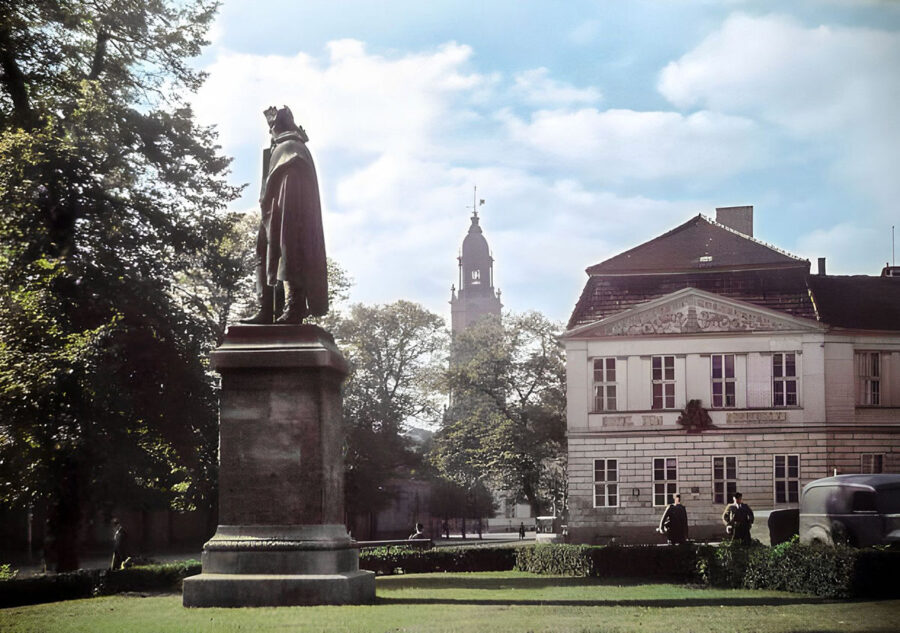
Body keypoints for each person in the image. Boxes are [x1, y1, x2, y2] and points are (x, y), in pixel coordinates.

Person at [242, 106, 328, 324]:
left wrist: (283, 214)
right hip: (273, 212)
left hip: (287, 212)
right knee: (264, 251)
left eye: (271, 127)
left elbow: (291, 188)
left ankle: (295, 305)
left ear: (276, 128)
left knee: (289, 251)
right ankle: (266, 308)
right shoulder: (282, 147)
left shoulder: (291, 147)